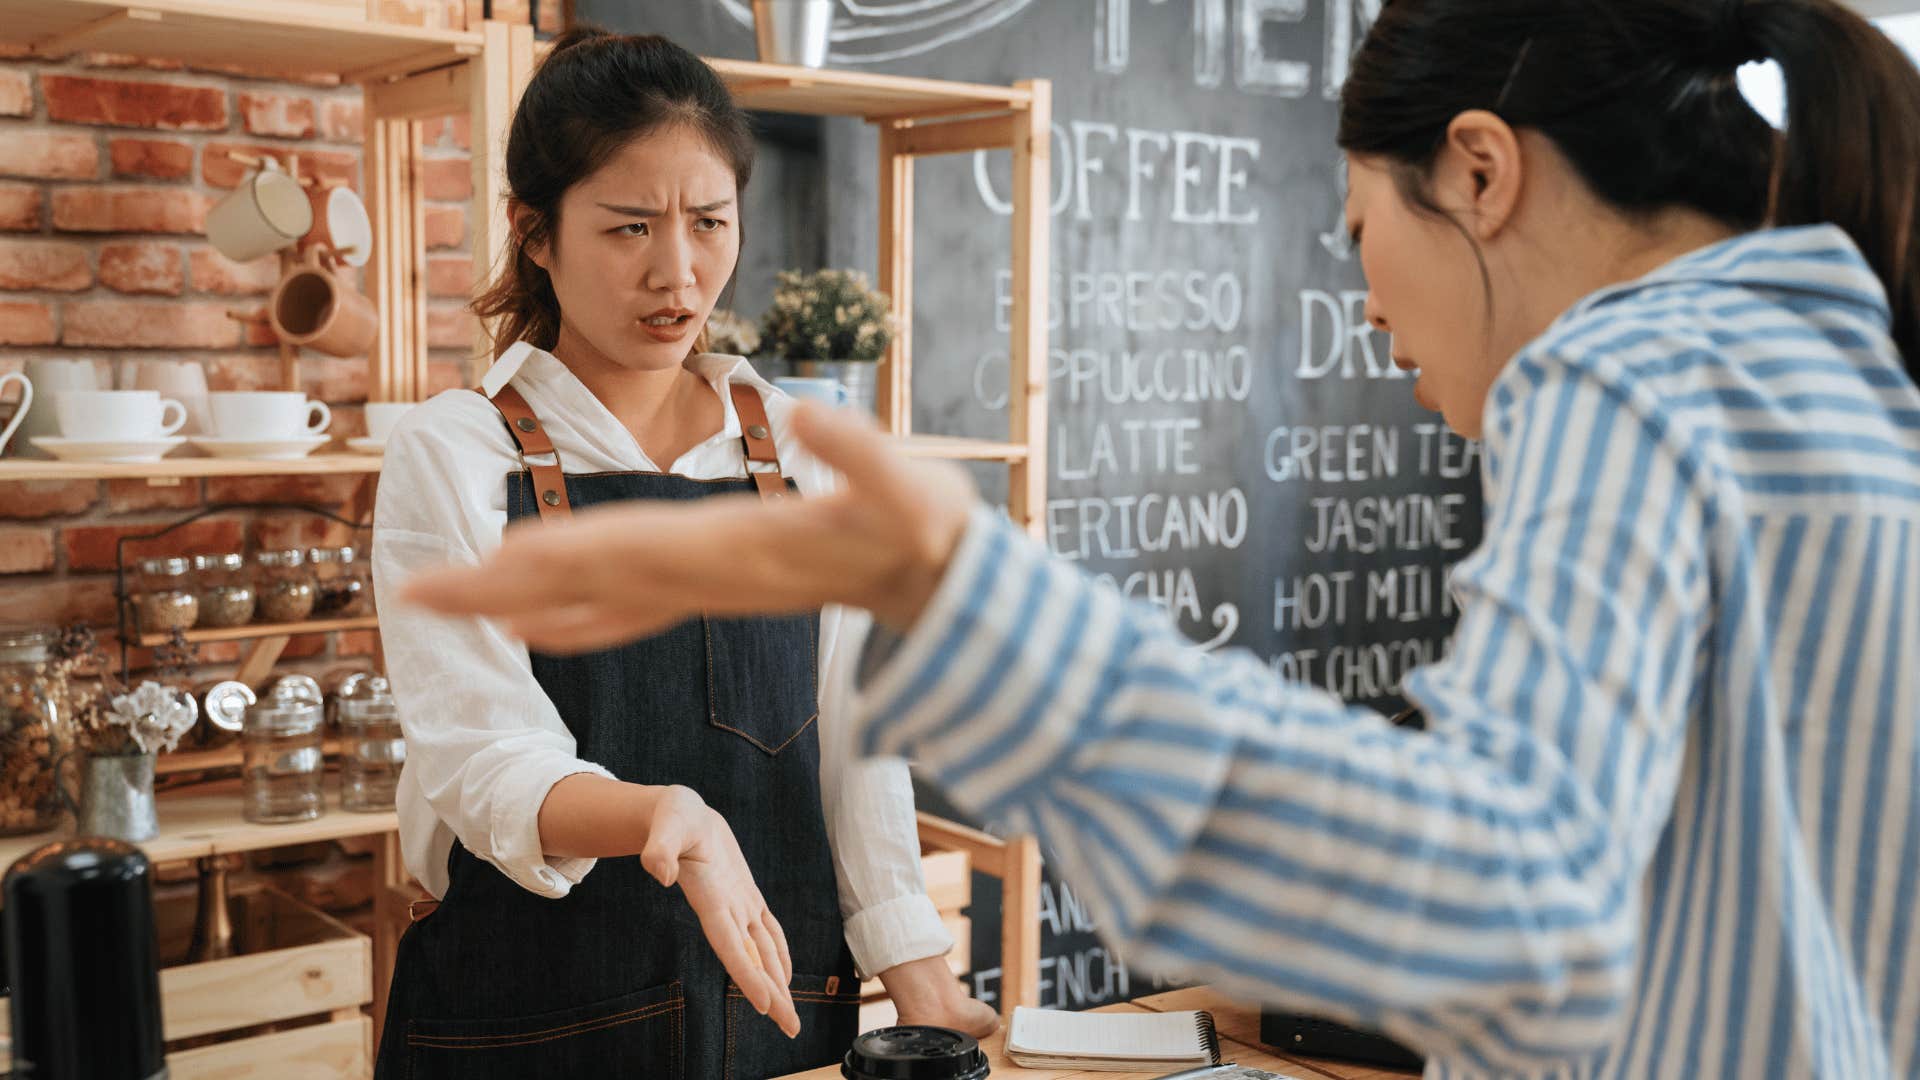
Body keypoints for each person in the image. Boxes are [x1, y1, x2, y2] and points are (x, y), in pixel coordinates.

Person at [397, 0, 1920, 1076]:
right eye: (627, 227)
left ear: (1478, 171)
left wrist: (968, 599)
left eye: (1355, 234)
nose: (1369, 302)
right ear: (540, 229)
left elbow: (1501, 900)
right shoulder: (1850, 386)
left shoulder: (1627, 385)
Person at [369, 28, 993, 1080]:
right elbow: (482, 759)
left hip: (776, 1032)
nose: (679, 270)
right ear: (536, 233)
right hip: (522, 1035)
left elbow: (856, 738)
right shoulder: (455, 453)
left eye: (710, 223)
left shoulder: (804, 454)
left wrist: (918, 969)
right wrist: (667, 816)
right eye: (629, 229)